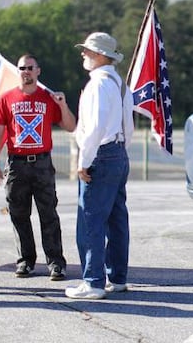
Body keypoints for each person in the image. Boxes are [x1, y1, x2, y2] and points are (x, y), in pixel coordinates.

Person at [0, 54, 76, 281]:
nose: (25, 71)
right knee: (19, 215)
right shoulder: (6, 99)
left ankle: (56, 262)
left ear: (38, 71)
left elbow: (70, 126)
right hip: (16, 164)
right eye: (21, 68)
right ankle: (26, 261)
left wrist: (63, 105)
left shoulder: (48, 98)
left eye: (30, 67)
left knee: (48, 214)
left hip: (42, 164)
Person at [65, 32, 134, 300]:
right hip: (117, 152)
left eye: (88, 51)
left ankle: (93, 281)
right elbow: (128, 124)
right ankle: (116, 277)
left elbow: (94, 128)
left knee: (91, 219)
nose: (84, 54)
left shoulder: (97, 85)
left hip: (101, 154)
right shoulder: (119, 83)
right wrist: (120, 151)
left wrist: (84, 161)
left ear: (101, 55)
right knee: (117, 219)